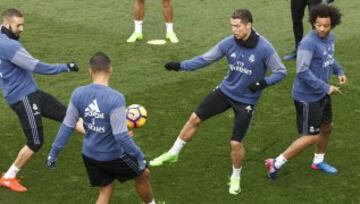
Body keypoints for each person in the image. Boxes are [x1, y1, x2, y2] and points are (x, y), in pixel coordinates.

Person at [149, 9, 287, 195]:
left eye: (237, 26)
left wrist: (263, 82)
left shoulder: (264, 48)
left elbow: (281, 72)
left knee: (235, 143)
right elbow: (205, 59)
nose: (234, 30)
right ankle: (173, 153)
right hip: (225, 92)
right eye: (232, 26)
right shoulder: (229, 43)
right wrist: (180, 66)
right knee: (195, 118)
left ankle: (236, 176)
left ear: (249, 25)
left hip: (246, 101)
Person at [46, 52, 156, 204]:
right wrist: (139, 156)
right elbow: (121, 137)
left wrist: (53, 152)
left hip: (89, 155)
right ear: (111, 69)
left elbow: (67, 125)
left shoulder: (78, 93)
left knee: (105, 191)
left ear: (90, 71)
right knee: (143, 174)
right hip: (113, 156)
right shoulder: (115, 98)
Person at [0, 8, 84, 192]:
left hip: (32, 93)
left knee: (68, 115)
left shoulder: (2, 38)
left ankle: (105, 137)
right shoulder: (9, 46)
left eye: (22, 24)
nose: (21, 29)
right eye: (18, 25)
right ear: (7, 24)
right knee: (35, 142)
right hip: (23, 99)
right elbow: (36, 66)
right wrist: (65, 67)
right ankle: (8, 176)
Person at [266, 4, 346, 179]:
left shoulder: (330, 38)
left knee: (327, 126)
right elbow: (302, 71)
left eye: (326, 25)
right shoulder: (308, 43)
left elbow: (329, 57)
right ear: (313, 23)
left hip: (321, 94)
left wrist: (339, 71)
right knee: (311, 137)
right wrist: (326, 87)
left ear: (332, 24)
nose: (322, 29)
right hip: (307, 97)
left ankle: (318, 161)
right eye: (319, 25)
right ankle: (276, 162)